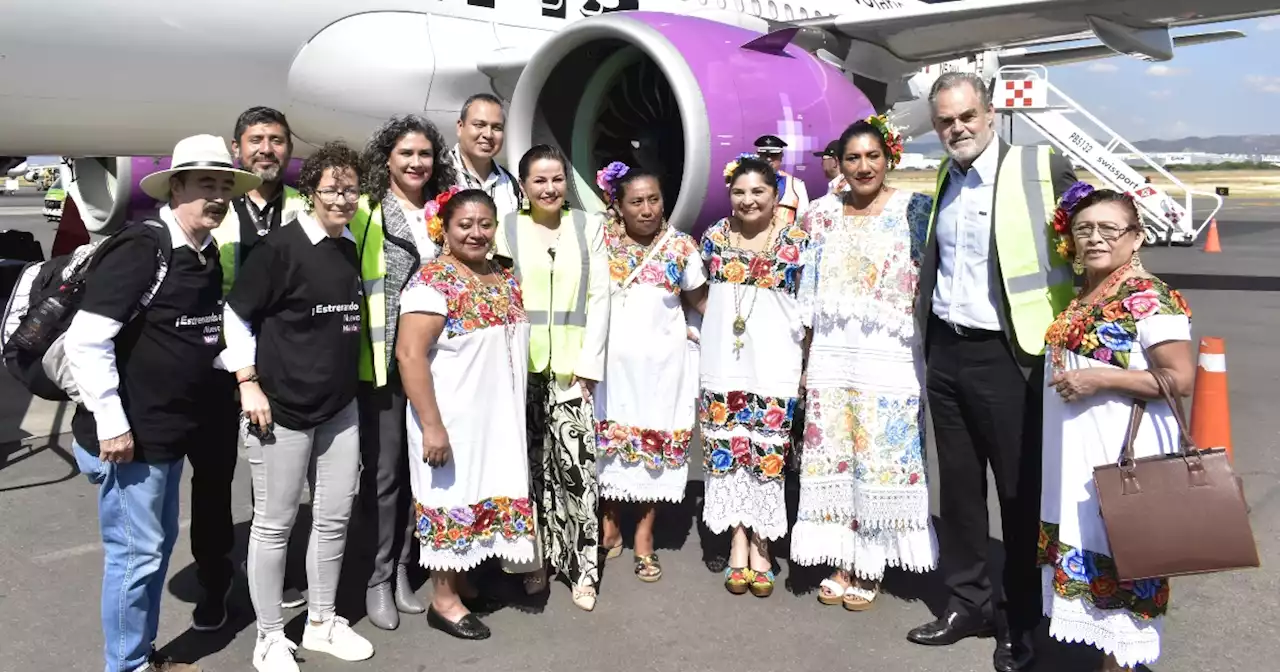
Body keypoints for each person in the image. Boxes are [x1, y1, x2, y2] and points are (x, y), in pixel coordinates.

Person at [65, 134, 258, 672]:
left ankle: (140, 658)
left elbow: (193, 336)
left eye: (225, 186)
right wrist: (111, 424)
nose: (217, 196)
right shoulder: (143, 247)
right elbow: (87, 339)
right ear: (176, 188)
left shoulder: (201, 252)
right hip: (133, 440)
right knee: (137, 557)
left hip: (168, 434)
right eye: (205, 185)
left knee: (150, 552)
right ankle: (126, 666)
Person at [908, 72, 1077, 672]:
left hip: (1010, 356)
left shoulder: (1038, 169)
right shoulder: (944, 178)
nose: (957, 129)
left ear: (990, 115)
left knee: (1017, 494)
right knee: (956, 489)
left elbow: (1093, 235)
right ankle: (967, 603)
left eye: (966, 117)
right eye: (945, 121)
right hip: (947, 352)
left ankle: (1021, 621)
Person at [222, 142, 374, 671]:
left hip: (338, 409)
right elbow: (236, 314)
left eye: (351, 189)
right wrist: (247, 382)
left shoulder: (349, 244)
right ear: (310, 191)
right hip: (280, 409)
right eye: (332, 188)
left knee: (332, 519)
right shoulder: (280, 248)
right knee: (274, 523)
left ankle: (321, 621)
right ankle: (268, 636)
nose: (342, 198)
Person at [1040, 186, 1194, 672]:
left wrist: (1101, 376)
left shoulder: (1149, 297)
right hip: (1081, 456)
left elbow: (1179, 379)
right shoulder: (1088, 290)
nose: (1095, 238)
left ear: (1137, 238)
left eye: (1110, 229)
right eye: (1084, 229)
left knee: (1123, 559)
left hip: (1124, 454)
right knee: (1096, 563)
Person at [792, 117, 938, 610]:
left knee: (879, 457)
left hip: (890, 356)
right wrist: (805, 357)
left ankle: (872, 561)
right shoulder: (819, 215)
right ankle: (840, 556)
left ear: (889, 157)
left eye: (872, 156)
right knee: (835, 452)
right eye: (852, 157)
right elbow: (806, 290)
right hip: (834, 352)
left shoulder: (916, 210)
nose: (863, 166)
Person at [396, 188, 536, 640]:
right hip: (451, 418)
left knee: (483, 493)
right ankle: (443, 600)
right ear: (445, 229)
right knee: (449, 499)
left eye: (485, 224)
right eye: (465, 225)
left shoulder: (502, 274)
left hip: (495, 417)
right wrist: (432, 426)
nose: (476, 233)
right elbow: (409, 354)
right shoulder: (431, 283)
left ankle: (465, 579)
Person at [198, 105, 310, 632]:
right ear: (237, 147)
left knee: (278, 483)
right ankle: (215, 584)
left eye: (277, 140)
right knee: (216, 479)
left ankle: (278, 573)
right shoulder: (220, 210)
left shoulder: (303, 208)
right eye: (256, 140)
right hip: (224, 369)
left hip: (285, 367)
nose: (267, 149)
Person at [349, 115, 457, 630]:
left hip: (444, 363)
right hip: (388, 364)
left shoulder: (444, 210)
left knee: (423, 474)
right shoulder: (369, 212)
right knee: (387, 476)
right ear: (386, 160)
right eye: (405, 154)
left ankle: (404, 569)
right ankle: (378, 576)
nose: (417, 163)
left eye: (425, 154)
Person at [493, 144, 609, 611]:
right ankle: (535, 561)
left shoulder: (588, 226)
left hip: (571, 370)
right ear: (524, 186)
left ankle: (584, 570)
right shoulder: (506, 230)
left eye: (557, 179)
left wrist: (589, 365)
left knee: (578, 472)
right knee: (530, 471)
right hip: (522, 368)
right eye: (539, 180)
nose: (549, 188)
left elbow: (599, 296)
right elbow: (499, 296)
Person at [699, 155, 808, 599]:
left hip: (775, 363)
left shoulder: (797, 243)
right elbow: (700, 295)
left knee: (766, 455)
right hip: (724, 362)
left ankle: (764, 545)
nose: (748, 200)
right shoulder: (712, 239)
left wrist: (806, 362)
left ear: (775, 195)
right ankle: (737, 542)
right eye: (739, 192)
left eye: (758, 192)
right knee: (728, 450)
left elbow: (809, 305)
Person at [592, 162, 707, 583]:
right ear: (617, 206)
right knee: (609, 449)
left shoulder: (681, 248)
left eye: (654, 200)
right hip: (609, 371)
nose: (647, 210)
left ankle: (644, 536)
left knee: (655, 454)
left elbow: (700, 300)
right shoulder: (600, 241)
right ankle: (609, 527)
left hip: (662, 371)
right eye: (636, 201)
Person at [446, 93, 522, 221]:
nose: (488, 134)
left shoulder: (511, 185)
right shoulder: (437, 173)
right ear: (460, 127)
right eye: (479, 125)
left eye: (497, 128)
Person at [754, 134, 810, 225]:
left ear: (781, 156)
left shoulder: (796, 185)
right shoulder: (748, 183)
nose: (769, 159)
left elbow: (803, 220)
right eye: (764, 155)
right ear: (758, 156)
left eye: (774, 155)